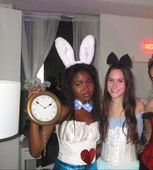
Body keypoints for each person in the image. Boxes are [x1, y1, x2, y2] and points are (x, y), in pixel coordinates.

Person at [28, 35, 101, 170]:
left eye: (90, 82)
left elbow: (96, 146)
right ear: (69, 86)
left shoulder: (95, 110)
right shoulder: (61, 111)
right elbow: (36, 151)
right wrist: (33, 114)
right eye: (79, 83)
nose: (86, 88)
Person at [97, 52, 145, 169]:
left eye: (120, 81)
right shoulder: (101, 106)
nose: (114, 85)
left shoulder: (138, 106)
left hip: (129, 166)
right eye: (110, 80)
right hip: (102, 166)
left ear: (127, 83)